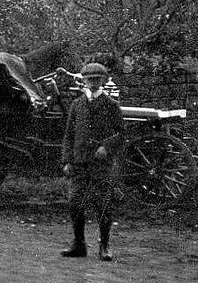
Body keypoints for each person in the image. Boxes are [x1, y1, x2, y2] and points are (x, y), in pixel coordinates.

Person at [60, 62, 124, 262]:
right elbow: (69, 136)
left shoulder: (111, 106)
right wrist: (67, 161)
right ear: (84, 81)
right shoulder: (77, 105)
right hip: (79, 164)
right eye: (90, 79)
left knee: (103, 206)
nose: (94, 83)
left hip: (100, 166)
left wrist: (107, 146)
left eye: (98, 79)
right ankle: (79, 245)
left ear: (104, 80)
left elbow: (121, 134)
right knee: (74, 204)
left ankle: (104, 247)